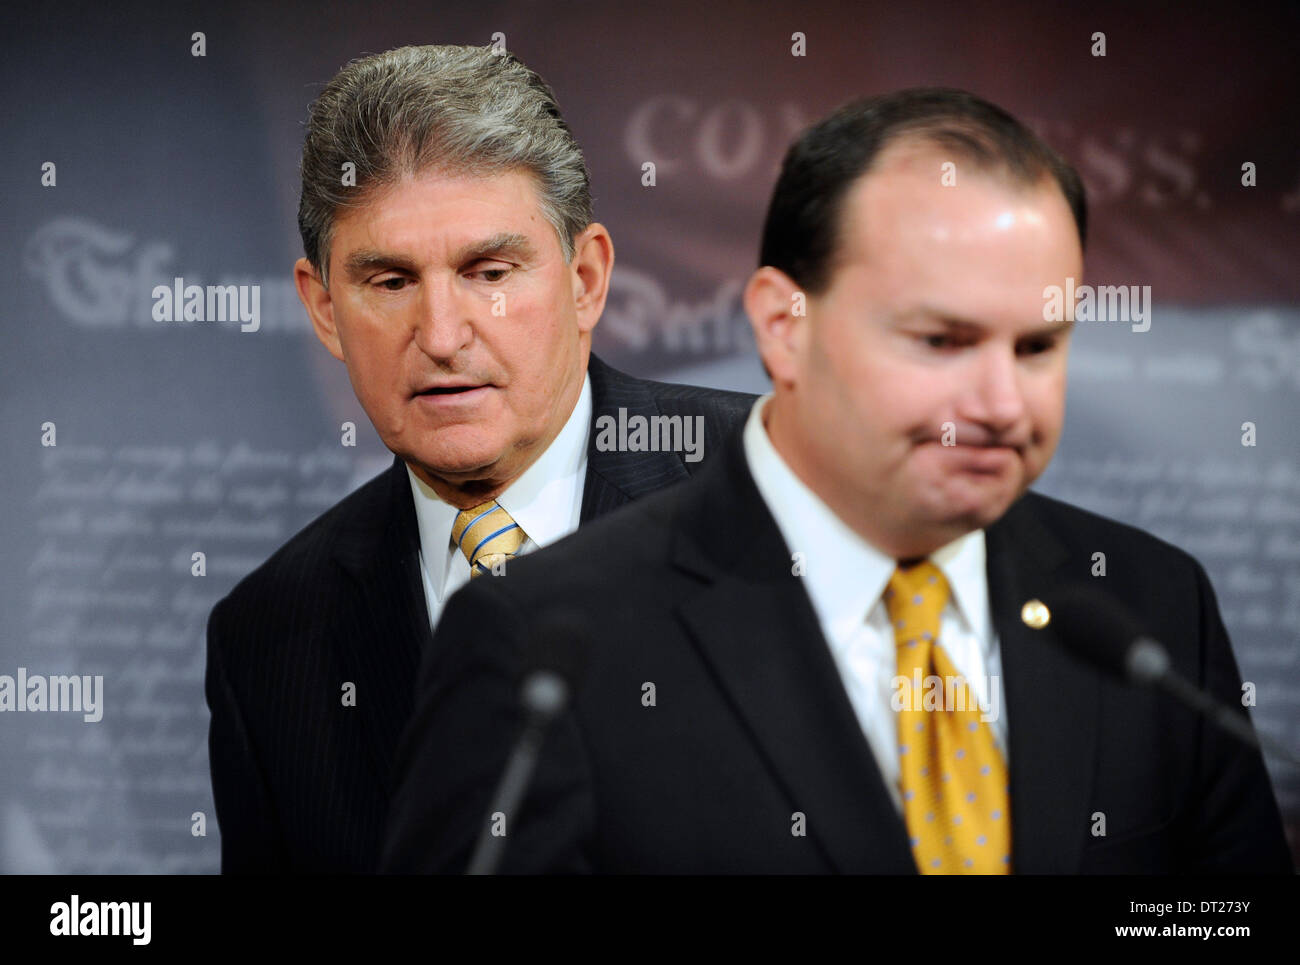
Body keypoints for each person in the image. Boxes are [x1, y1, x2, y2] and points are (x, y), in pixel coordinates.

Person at [381, 88, 1293, 874]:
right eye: (941, 341)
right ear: (785, 325)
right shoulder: (546, 647)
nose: (1002, 402)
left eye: (1038, 346)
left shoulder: (1151, 611)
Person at [204, 44, 754, 873]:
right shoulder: (273, 639)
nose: (442, 334)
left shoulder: (776, 495)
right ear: (323, 309)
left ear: (586, 279)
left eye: (488, 272)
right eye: (388, 282)